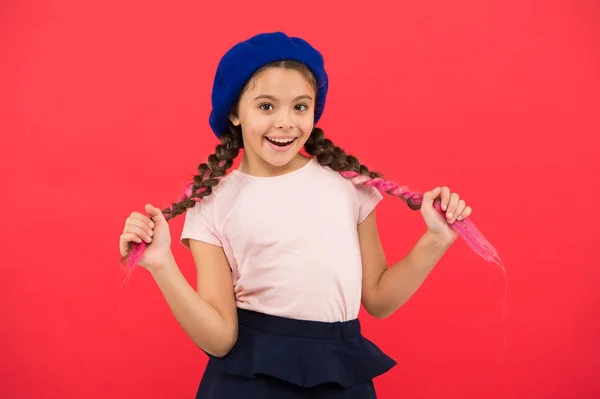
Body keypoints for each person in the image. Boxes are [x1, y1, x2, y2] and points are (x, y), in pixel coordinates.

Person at [118, 32, 500, 398]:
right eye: (266, 106)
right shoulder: (212, 202)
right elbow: (219, 339)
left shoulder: (349, 186)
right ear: (235, 111)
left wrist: (435, 239)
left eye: (300, 106)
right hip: (248, 379)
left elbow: (380, 300)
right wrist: (162, 265)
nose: (285, 121)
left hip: (340, 373)